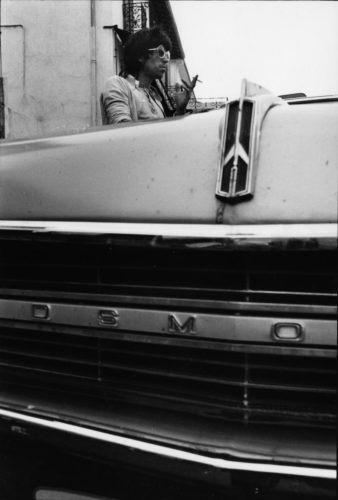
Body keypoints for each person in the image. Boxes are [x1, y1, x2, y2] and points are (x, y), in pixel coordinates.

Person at [102, 26, 198, 124]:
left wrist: (180, 110)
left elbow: (165, 135)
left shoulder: (155, 99)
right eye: (161, 52)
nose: (166, 60)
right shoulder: (117, 84)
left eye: (167, 55)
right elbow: (121, 131)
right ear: (141, 56)